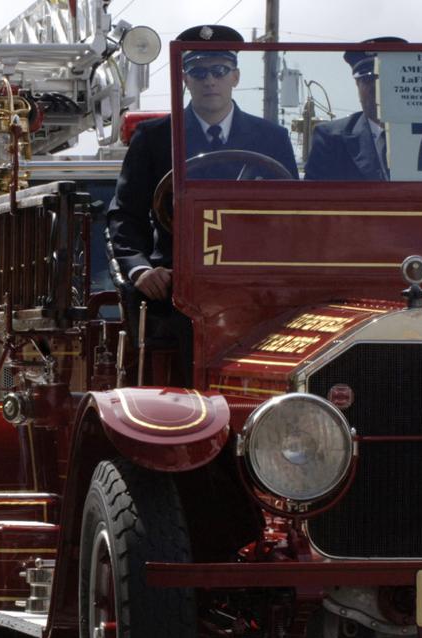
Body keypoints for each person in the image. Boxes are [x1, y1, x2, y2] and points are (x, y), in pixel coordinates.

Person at [107, 24, 299, 386]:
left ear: (235, 76)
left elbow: (292, 215)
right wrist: (141, 270)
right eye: (198, 71)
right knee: (187, 320)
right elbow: (125, 213)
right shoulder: (154, 138)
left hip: (255, 279)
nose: (210, 80)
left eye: (219, 70)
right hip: (177, 283)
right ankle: (187, 421)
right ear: (186, 78)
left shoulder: (272, 138)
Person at [303, 37, 407, 181]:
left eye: (385, 78)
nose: (377, 88)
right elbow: (315, 198)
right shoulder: (332, 140)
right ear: (357, 85)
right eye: (368, 80)